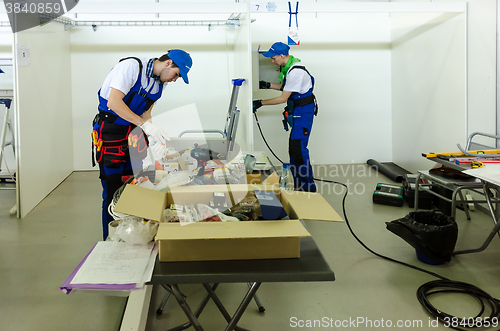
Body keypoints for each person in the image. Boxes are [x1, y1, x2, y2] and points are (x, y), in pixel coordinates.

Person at [92, 50, 192, 239]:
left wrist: (153, 136)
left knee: (135, 184)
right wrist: (145, 126)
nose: (175, 80)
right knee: (112, 187)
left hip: (134, 134)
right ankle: (111, 237)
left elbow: (145, 114)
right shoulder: (131, 67)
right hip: (110, 133)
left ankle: (132, 233)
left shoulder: (159, 84)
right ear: (168, 63)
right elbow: (114, 102)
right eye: (177, 75)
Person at [253, 42, 317, 192]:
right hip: (298, 110)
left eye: (273, 58)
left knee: (299, 149)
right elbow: (286, 88)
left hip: (304, 111)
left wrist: (260, 103)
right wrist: (267, 85)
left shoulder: (295, 72)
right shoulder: (289, 69)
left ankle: (308, 189)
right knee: (294, 149)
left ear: (282, 55)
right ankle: (299, 185)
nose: (272, 61)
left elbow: (283, 98)